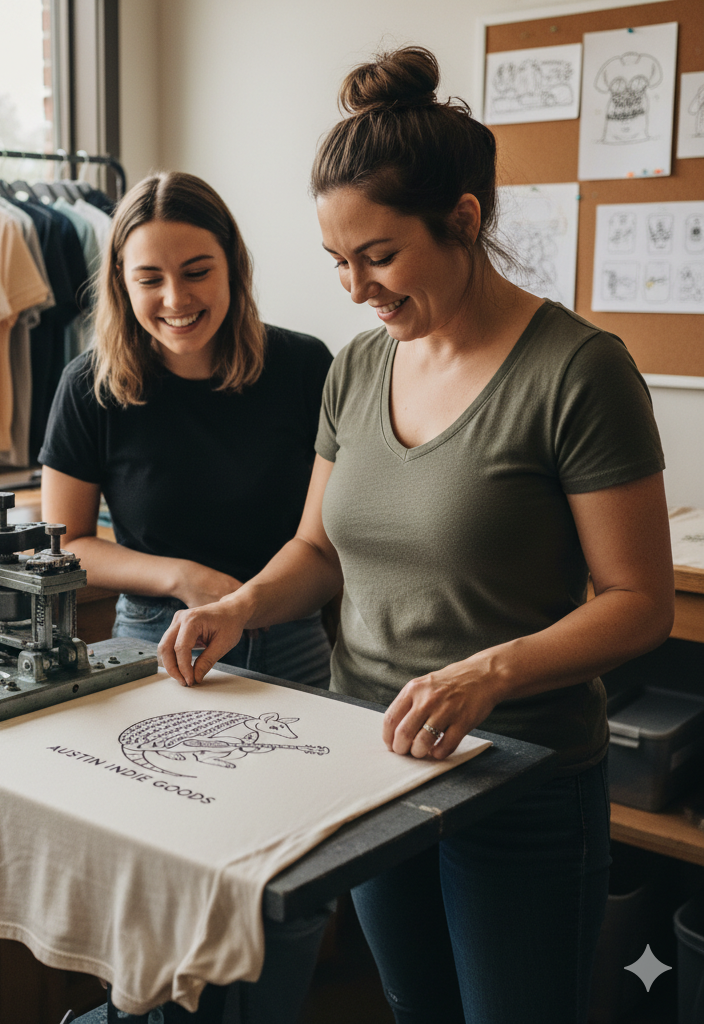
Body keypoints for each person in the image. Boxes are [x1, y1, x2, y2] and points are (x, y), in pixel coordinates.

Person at [158, 47, 674, 1024]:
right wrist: (232, 606)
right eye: (335, 261)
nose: (354, 287)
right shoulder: (355, 368)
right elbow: (316, 552)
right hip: (371, 761)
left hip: (518, 775)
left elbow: (637, 602)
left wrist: (488, 672)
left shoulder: (578, 371)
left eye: (379, 255)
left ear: (464, 221)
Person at [38, 170, 335, 1022]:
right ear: (121, 284)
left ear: (233, 266)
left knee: (291, 883)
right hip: (151, 654)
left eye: (197, 269)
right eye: (150, 278)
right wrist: (181, 578)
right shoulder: (90, 384)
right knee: (162, 883)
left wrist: (246, 601)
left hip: (287, 644)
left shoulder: (305, 366)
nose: (176, 298)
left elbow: (327, 534)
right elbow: (66, 545)